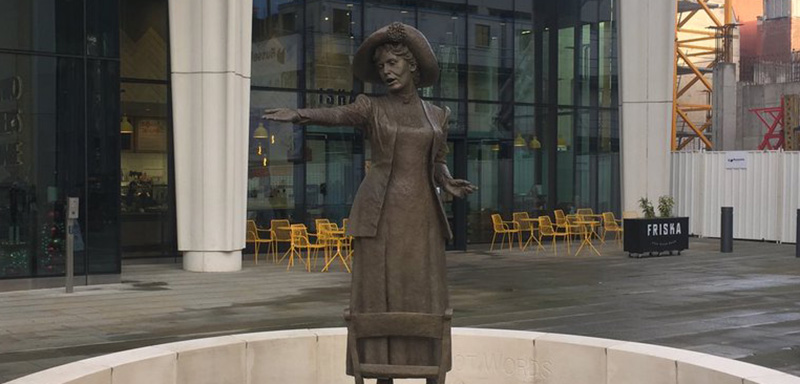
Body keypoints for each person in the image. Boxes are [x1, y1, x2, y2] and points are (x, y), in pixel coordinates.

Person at [264, 22, 475, 384]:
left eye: (393, 63)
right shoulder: (372, 108)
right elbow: (340, 114)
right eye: (381, 67)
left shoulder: (437, 115)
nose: (387, 71)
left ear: (412, 66)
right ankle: (380, 368)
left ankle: (429, 366)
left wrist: (446, 180)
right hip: (381, 214)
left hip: (422, 214)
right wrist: (300, 114)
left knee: (423, 290)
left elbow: (436, 159)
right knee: (379, 291)